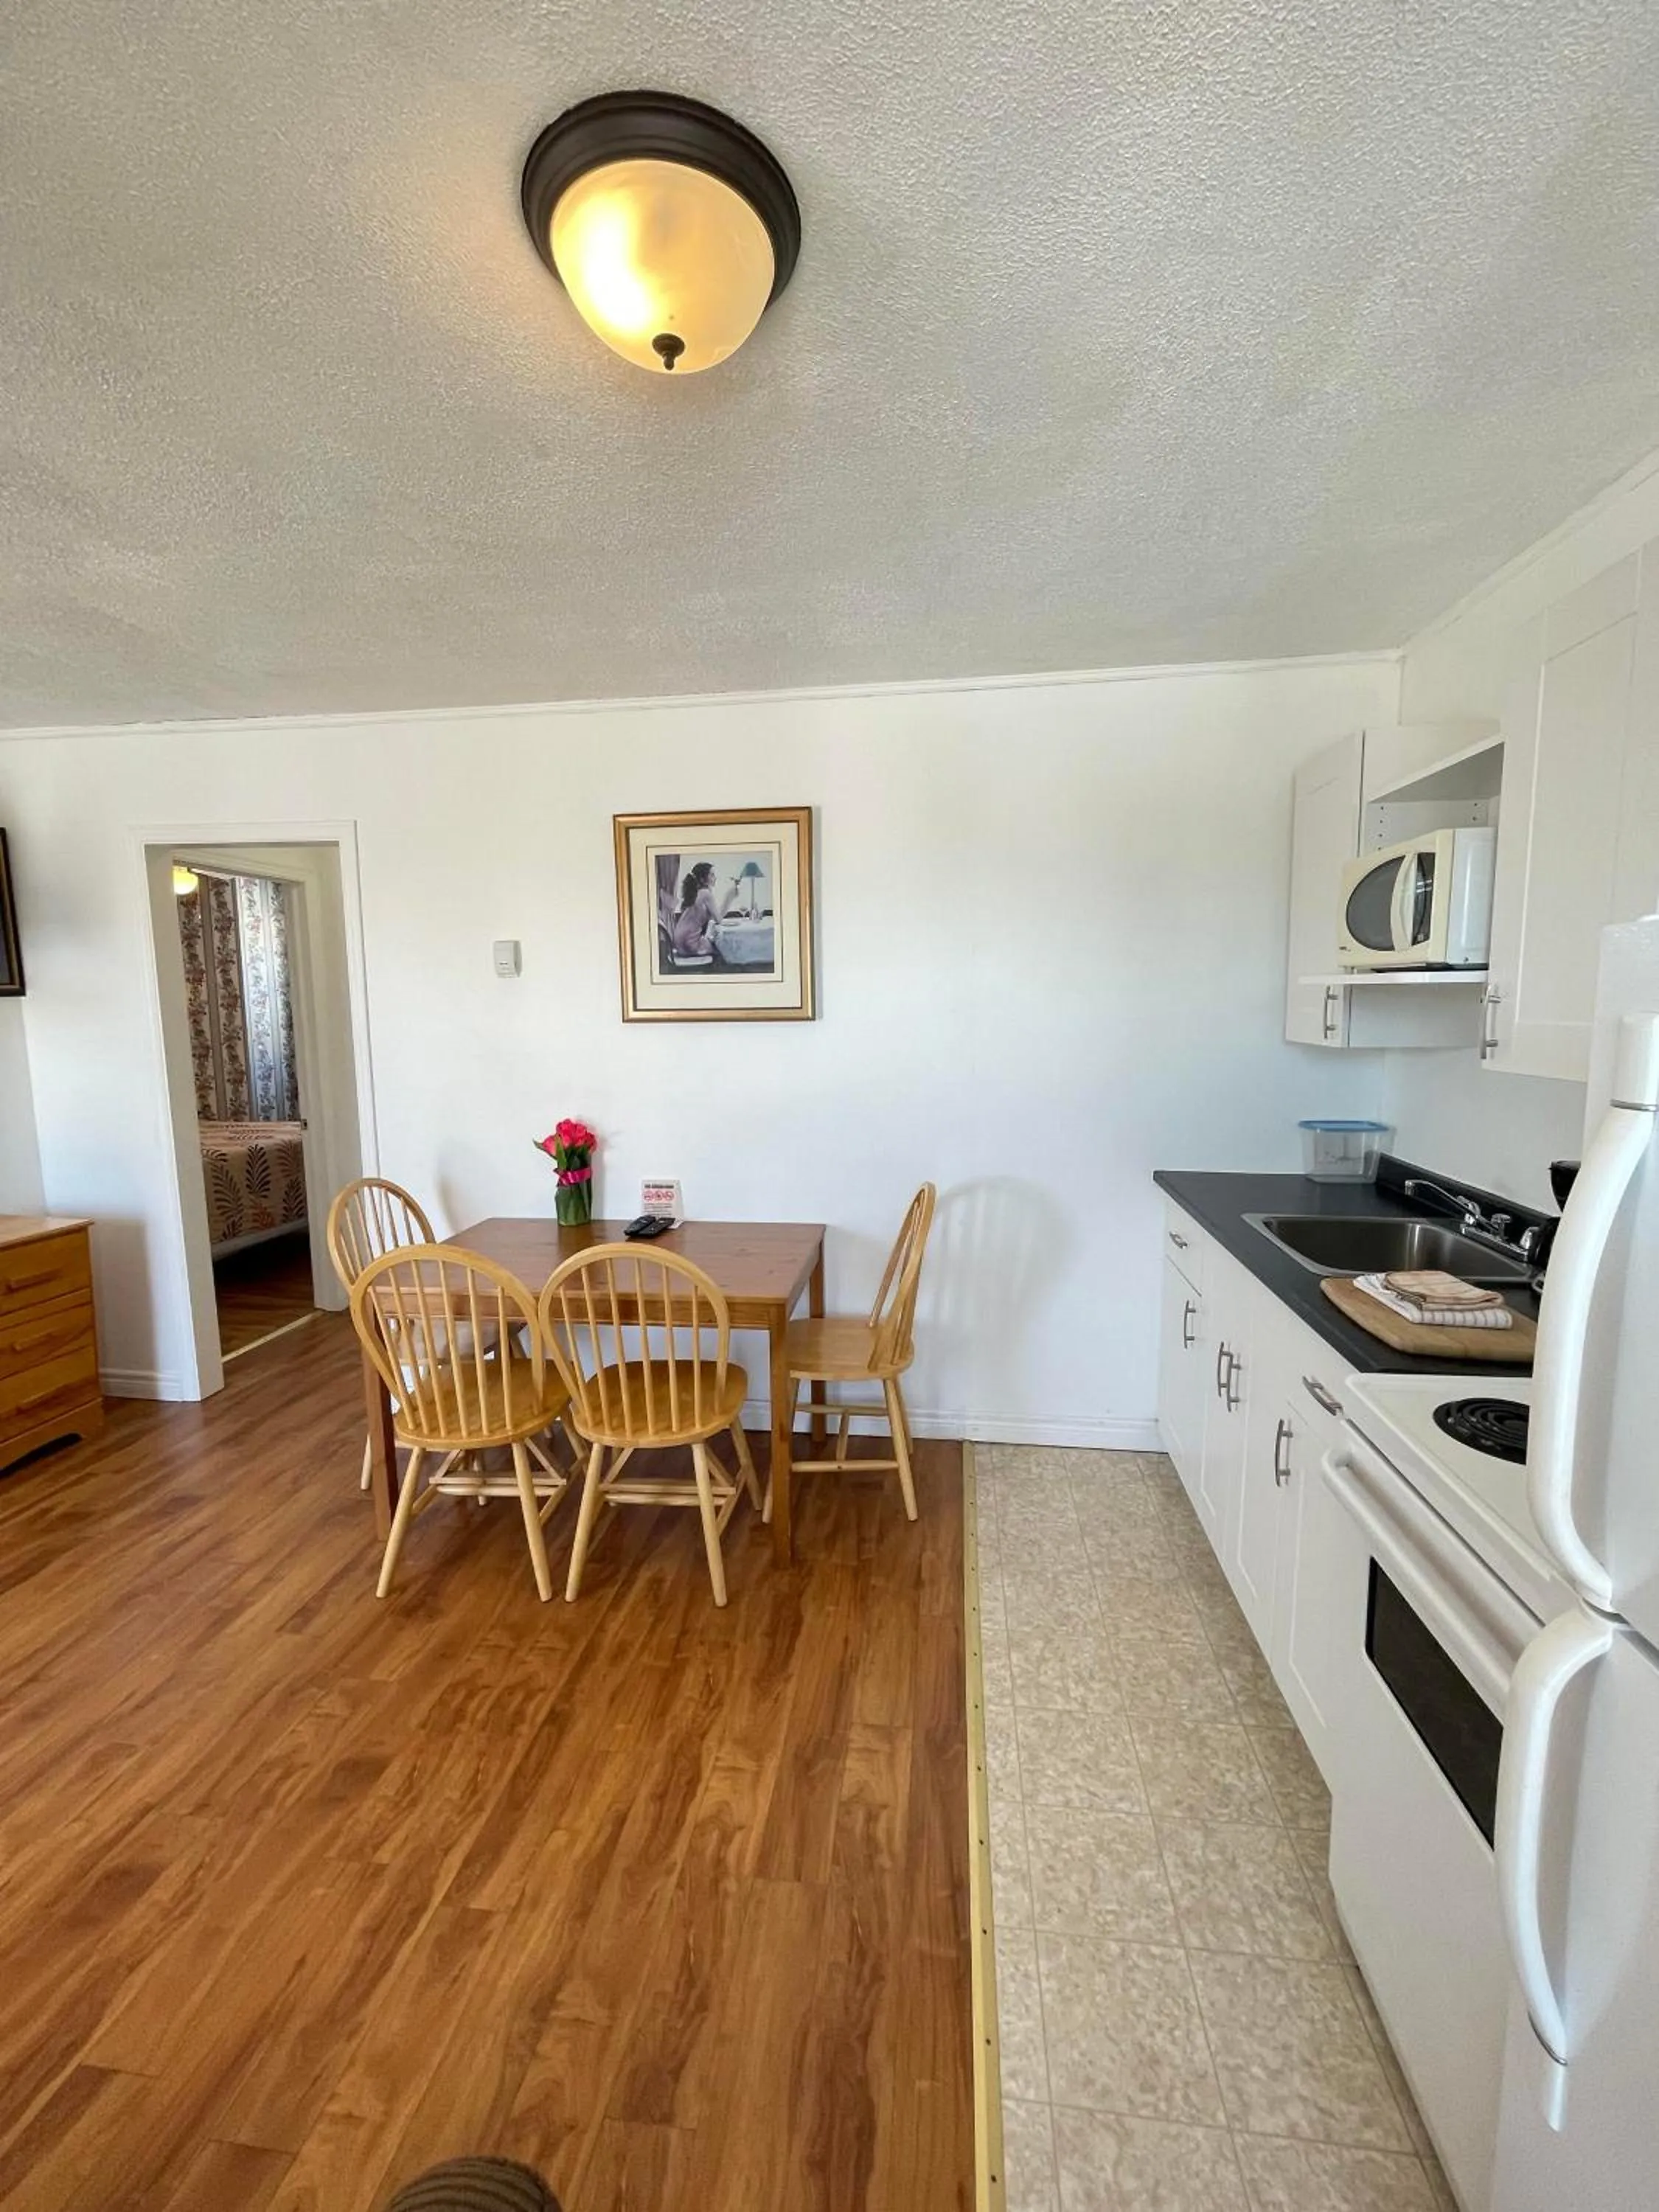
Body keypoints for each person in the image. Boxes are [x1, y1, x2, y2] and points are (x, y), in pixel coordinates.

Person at [672, 860, 737, 958]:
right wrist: (729, 897)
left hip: (680, 942)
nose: (715, 878)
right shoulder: (705, 893)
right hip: (689, 943)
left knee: (715, 943)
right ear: (703, 879)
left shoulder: (696, 893)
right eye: (712, 875)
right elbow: (718, 919)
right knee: (723, 949)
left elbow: (712, 917)